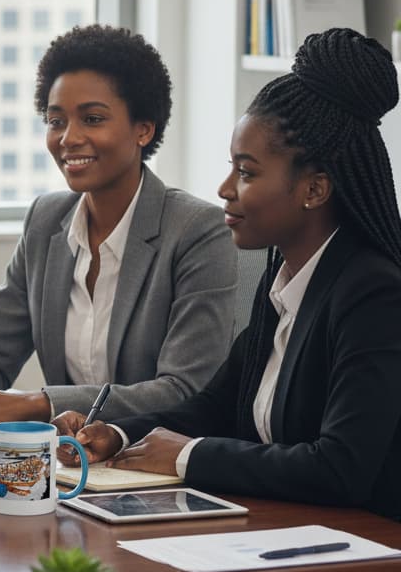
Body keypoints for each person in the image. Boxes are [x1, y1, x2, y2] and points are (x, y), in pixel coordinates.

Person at [58, 28, 401, 518]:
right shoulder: (284, 276)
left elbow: (340, 468)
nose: (225, 188)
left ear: (316, 189)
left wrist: (185, 456)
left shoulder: (373, 293)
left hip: (369, 555)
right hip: (291, 533)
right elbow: (216, 407)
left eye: (247, 172)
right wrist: (117, 433)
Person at [0, 24, 237, 432]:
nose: (69, 138)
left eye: (92, 119)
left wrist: (38, 404)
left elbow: (183, 389)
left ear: (144, 128)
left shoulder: (196, 231)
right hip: (68, 461)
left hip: (157, 461)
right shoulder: (45, 220)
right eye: (56, 121)